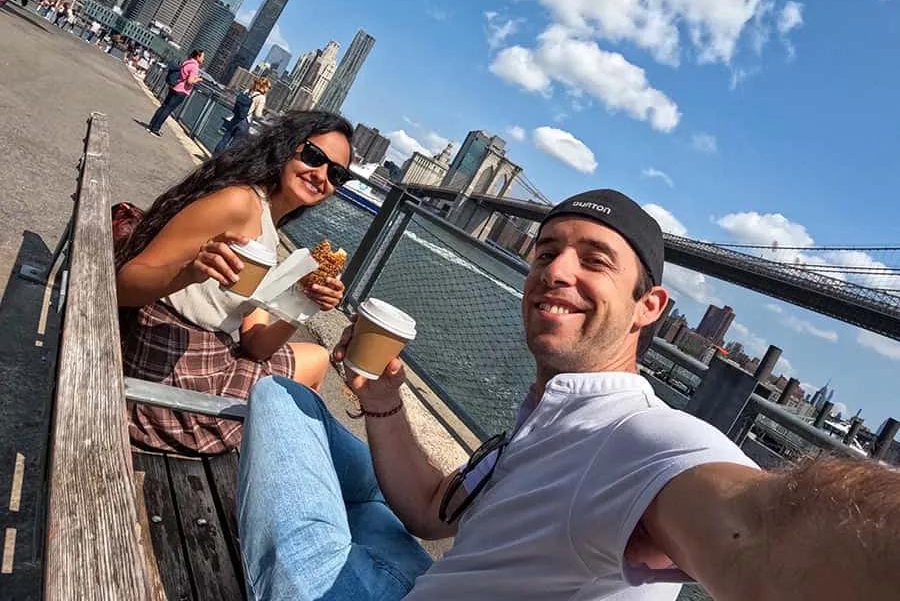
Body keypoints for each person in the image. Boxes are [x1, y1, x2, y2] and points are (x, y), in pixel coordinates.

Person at [236, 189, 900, 600]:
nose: (556, 270)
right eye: (546, 251)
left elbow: (763, 532)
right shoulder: (550, 415)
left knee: (273, 401)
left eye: (595, 260)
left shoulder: (642, 439)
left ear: (649, 308)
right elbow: (435, 511)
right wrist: (383, 401)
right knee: (320, 433)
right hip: (424, 579)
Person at [116, 110, 356, 454]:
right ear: (288, 147)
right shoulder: (240, 202)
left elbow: (256, 345)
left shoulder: (267, 227)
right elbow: (124, 284)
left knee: (315, 358)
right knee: (313, 370)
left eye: (336, 174)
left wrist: (303, 305)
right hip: (163, 380)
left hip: (203, 363)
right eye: (314, 157)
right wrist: (189, 271)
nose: (321, 175)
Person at [147, 49, 205, 137]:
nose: (203, 59)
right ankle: (156, 128)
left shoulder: (187, 62)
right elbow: (189, 81)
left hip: (174, 86)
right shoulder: (195, 66)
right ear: (197, 57)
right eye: (203, 57)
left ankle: (151, 125)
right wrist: (198, 79)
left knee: (164, 107)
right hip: (182, 91)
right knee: (167, 110)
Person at [214, 77, 271, 155]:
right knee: (234, 147)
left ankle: (214, 158)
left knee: (224, 140)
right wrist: (262, 117)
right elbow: (258, 114)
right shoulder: (261, 97)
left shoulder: (247, 91)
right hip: (245, 122)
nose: (269, 89)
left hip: (236, 118)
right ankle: (223, 163)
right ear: (264, 86)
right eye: (269, 87)